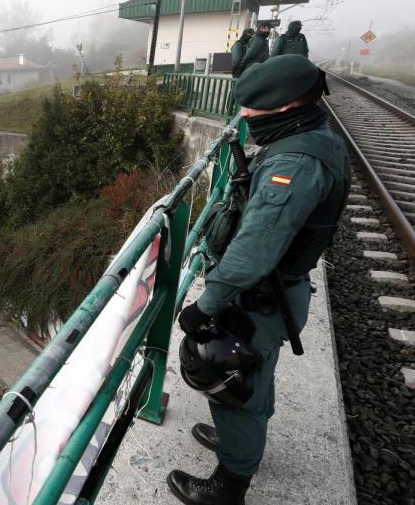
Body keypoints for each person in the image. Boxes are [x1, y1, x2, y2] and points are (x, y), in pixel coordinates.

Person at [168, 55, 350, 505]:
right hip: (274, 293)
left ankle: (228, 486)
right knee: (252, 378)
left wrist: (205, 304)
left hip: (260, 299)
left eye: (253, 108)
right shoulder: (312, 138)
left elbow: (255, 250)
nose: (244, 116)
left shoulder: (295, 162)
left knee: (232, 384)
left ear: (288, 105)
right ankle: (240, 446)